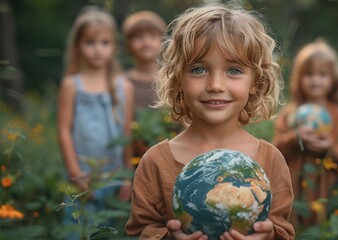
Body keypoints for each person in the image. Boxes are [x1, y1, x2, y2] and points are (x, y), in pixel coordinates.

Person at [125, 3, 295, 239]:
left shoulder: (271, 160)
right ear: (178, 79)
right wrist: (169, 236)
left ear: (255, 81)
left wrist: (268, 235)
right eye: (198, 69)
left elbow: (284, 231)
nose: (215, 85)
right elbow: (139, 230)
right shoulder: (155, 162)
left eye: (233, 70)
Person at [57, 6, 134, 224]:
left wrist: (127, 178)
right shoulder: (71, 85)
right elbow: (63, 131)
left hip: (114, 179)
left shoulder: (123, 86)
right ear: (78, 46)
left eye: (105, 43)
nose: (98, 49)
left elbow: (126, 133)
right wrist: (75, 174)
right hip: (81, 178)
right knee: (79, 229)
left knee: (111, 230)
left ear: (114, 46)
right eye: (90, 42)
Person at [272, 40, 338, 228]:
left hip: (327, 193)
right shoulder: (290, 114)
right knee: (295, 228)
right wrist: (296, 138)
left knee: (322, 229)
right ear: (299, 78)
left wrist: (330, 147)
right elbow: (275, 152)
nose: (315, 80)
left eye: (322, 74)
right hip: (294, 189)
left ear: (333, 79)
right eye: (309, 74)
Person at [122, 10, 166, 110]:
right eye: (138, 36)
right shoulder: (121, 82)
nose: (146, 42)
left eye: (153, 36)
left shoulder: (171, 80)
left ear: (163, 41)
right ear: (128, 43)